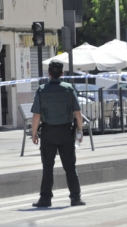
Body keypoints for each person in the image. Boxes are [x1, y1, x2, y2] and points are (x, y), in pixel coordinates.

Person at [31, 60, 85, 207]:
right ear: (62, 73)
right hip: (66, 132)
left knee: (47, 167)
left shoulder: (42, 90)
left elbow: (36, 115)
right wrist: (80, 131)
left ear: (49, 73)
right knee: (70, 167)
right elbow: (78, 113)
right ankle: (75, 198)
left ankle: (45, 199)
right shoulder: (69, 89)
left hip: (48, 133)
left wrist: (34, 133)